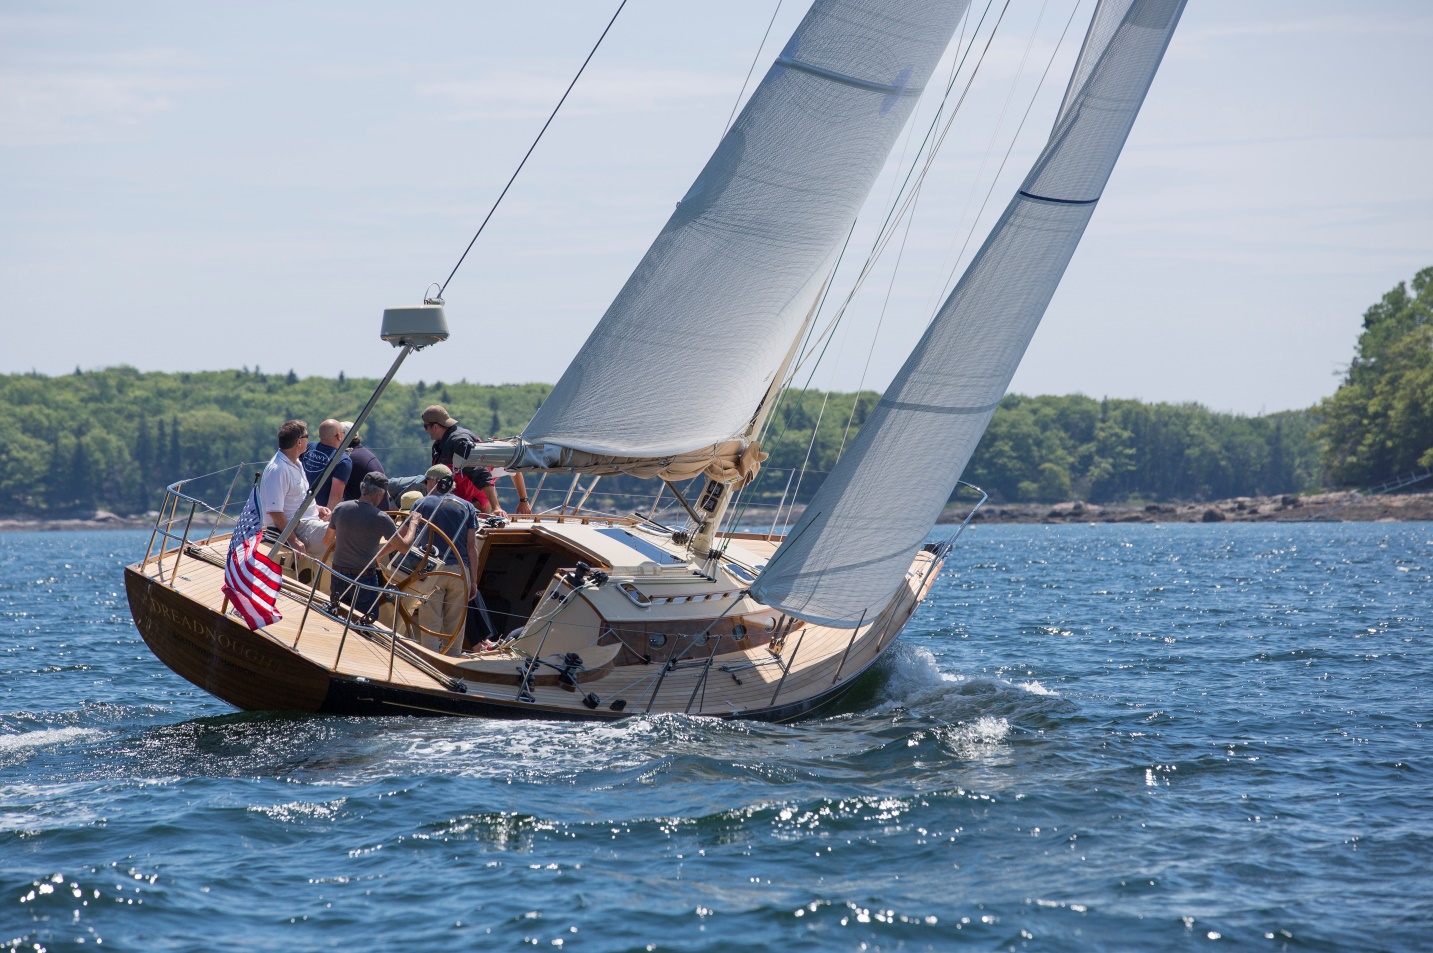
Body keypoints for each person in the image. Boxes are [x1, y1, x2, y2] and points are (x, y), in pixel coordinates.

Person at [387, 405, 532, 517]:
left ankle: (388, 526)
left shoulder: (458, 442)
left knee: (394, 497)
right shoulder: (441, 442)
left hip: (452, 495)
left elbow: (480, 473)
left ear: (435, 426)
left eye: (426, 426)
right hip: (437, 487)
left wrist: (497, 507)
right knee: (389, 485)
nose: (425, 430)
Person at [404, 464, 481, 655]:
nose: (425, 486)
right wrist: (473, 581)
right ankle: (451, 661)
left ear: (436, 482)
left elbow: (407, 539)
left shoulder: (420, 504)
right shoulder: (468, 507)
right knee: (455, 625)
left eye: (427, 481)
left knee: (430, 622)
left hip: (432, 571)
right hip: (460, 572)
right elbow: (472, 547)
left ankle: (429, 661)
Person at [321, 471, 406, 617]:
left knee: (337, 617)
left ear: (363, 488)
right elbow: (403, 548)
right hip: (363, 580)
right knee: (363, 623)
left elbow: (326, 541)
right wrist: (413, 523)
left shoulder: (340, 508)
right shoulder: (382, 518)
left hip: (338, 576)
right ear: (379, 494)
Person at [259, 419, 330, 554]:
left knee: (349, 529)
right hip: (298, 528)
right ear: (299, 442)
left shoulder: (296, 463)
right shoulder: (279, 469)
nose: (309, 440)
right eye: (307, 436)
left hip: (309, 523)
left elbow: (296, 499)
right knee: (343, 537)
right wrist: (293, 540)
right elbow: (274, 511)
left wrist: (317, 508)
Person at [299, 418, 352, 509]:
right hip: (319, 513)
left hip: (298, 507)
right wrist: (328, 517)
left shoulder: (307, 447)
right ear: (339, 436)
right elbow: (335, 497)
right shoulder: (343, 460)